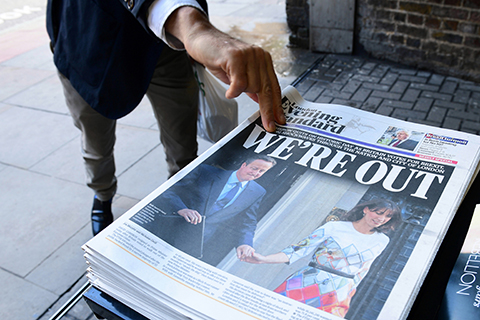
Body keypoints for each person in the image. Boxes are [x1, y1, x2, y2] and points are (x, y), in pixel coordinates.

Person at [46, 0, 285, 236]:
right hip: (88, 40)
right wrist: (193, 27)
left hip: (162, 46)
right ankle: (102, 195)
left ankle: (182, 196)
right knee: (96, 141)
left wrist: (191, 29)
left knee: (182, 144)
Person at [243, 199, 402, 318]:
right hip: (307, 281)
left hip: (339, 292)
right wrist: (263, 259)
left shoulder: (382, 240)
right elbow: (298, 250)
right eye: (378, 212)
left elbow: (364, 270)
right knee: (273, 314)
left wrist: (348, 293)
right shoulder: (335, 227)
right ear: (366, 209)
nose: (381, 218)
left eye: (387, 216)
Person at [157, 155, 276, 265]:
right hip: (170, 226)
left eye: (262, 171)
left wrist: (245, 243)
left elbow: (248, 222)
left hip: (197, 240)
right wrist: (182, 209)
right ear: (243, 165)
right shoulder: (206, 171)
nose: (256, 173)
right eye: (254, 168)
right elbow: (170, 191)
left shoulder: (257, 192)